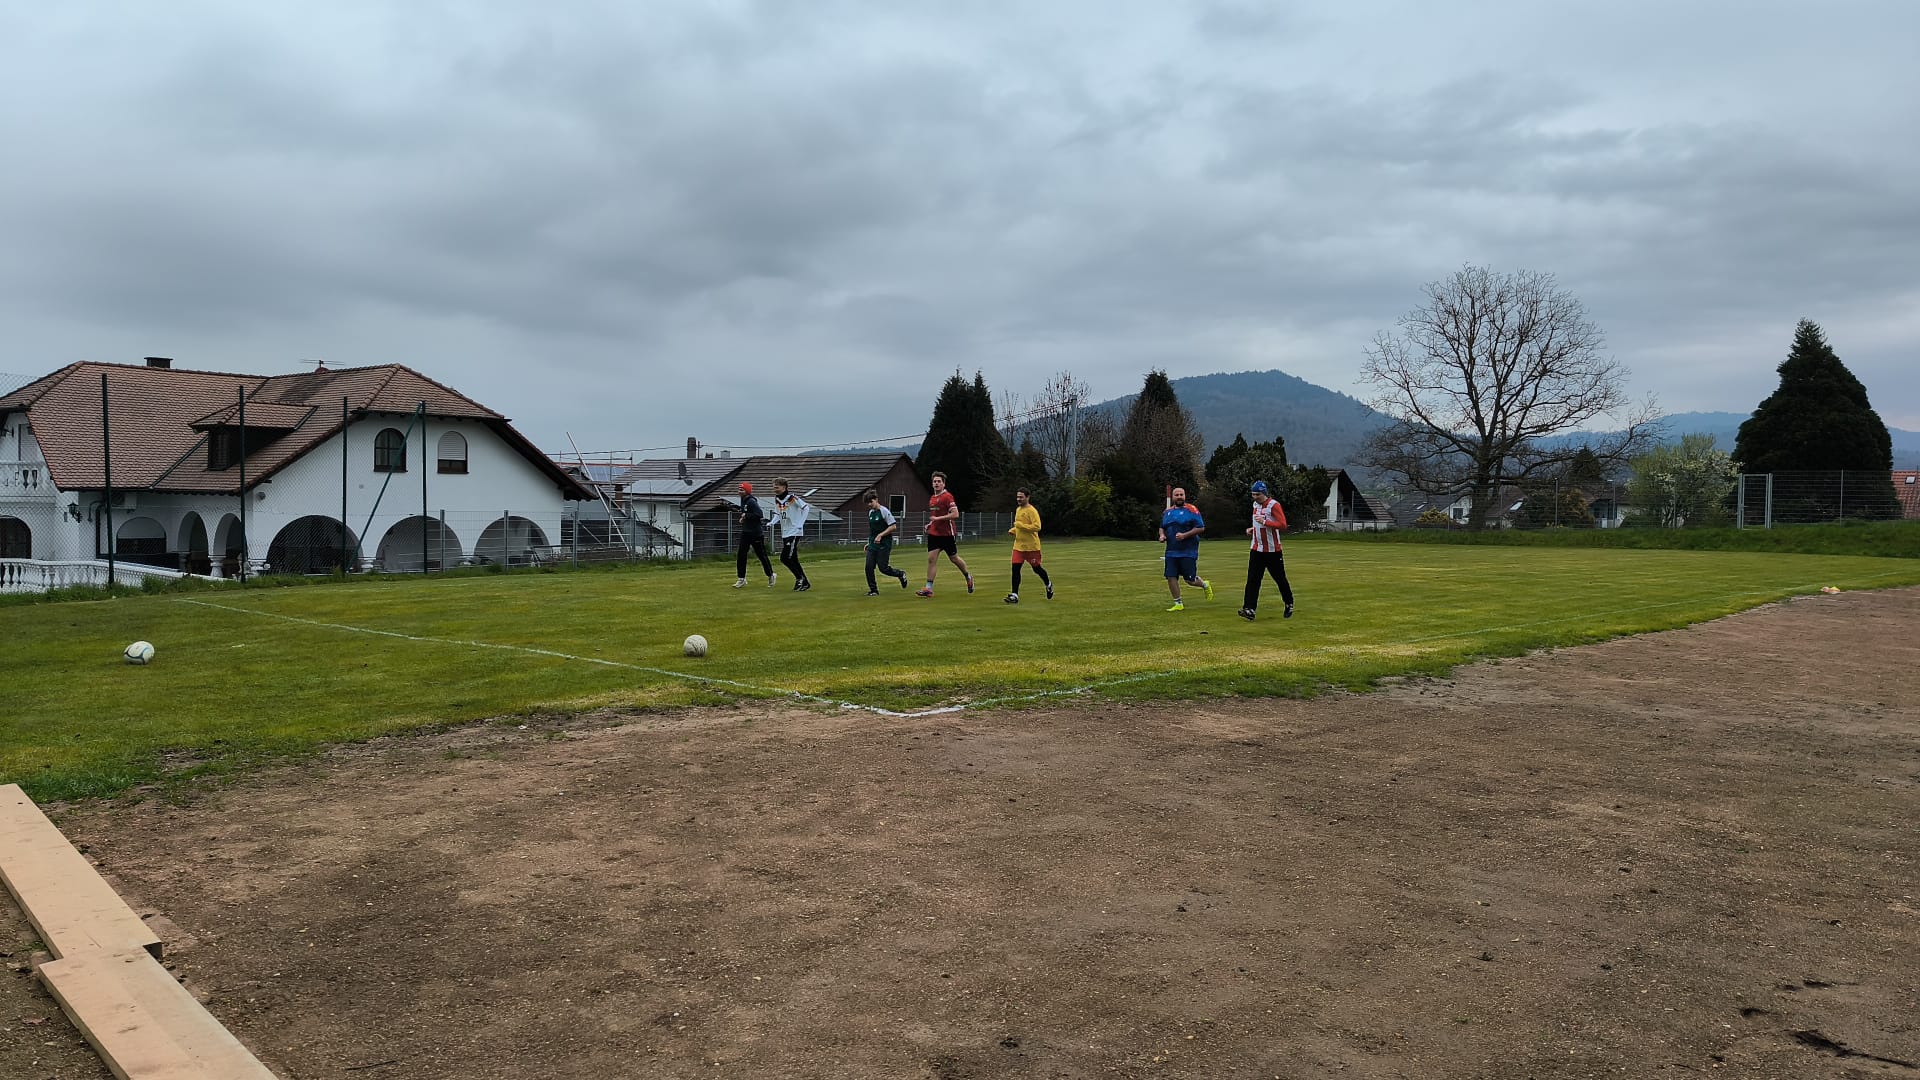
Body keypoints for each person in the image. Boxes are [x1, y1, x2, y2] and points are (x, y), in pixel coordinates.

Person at [1238, 480, 1295, 621]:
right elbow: (1257, 522)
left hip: (1272, 550)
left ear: (1264, 493)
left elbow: (1282, 525)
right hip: (1256, 549)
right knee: (1253, 580)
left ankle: (1289, 603)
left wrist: (1265, 522)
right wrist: (1252, 529)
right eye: (1253, 494)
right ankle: (1249, 609)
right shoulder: (1255, 505)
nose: (1255, 497)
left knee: (1280, 579)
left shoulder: (1273, 505)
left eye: (1257, 494)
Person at [917, 470, 973, 597]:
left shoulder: (947, 497)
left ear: (943, 484)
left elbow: (955, 514)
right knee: (931, 560)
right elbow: (934, 516)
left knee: (954, 558)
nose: (936, 483)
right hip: (934, 534)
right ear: (932, 484)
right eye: (934, 481)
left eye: (939, 481)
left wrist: (938, 519)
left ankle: (968, 576)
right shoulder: (932, 498)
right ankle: (928, 589)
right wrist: (930, 524)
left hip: (947, 534)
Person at [1003, 487, 1053, 604]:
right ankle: (1014, 595)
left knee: (1037, 569)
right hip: (1019, 546)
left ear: (1027, 497)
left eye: (1021, 497)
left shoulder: (1032, 511)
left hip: (1031, 547)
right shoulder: (1018, 510)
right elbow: (1020, 526)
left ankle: (1048, 584)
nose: (1018, 499)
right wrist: (1014, 530)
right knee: (1015, 569)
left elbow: (1037, 527)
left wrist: (1020, 526)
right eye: (1017, 497)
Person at [1159, 498, 1210, 611]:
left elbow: (1201, 528)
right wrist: (1162, 536)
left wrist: (1184, 535)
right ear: (1173, 497)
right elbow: (1162, 527)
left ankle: (1204, 584)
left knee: (1189, 580)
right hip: (1171, 551)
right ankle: (1178, 603)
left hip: (1188, 551)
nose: (1179, 496)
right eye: (1176, 494)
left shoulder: (1192, 510)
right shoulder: (1167, 512)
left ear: (1184, 496)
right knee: (1171, 576)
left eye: (1181, 494)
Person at [863, 489, 911, 595]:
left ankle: (900, 574)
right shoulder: (871, 513)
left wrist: (881, 535)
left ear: (876, 500)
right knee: (868, 567)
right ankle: (873, 590)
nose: (869, 505)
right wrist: (869, 543)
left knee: (883, 568)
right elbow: (873, 531)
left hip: (884, 544)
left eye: (871, 502)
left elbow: (893, 526)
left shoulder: (884, 511)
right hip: (873, 544)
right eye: (868, 503)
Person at [772, 477, 812, 591]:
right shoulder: (777, 499)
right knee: (793, 559)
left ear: (784, 487)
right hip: (785, 532)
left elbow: (806, 508)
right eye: (774, 487)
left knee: (784, 558)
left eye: (777, 487)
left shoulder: (792, 498)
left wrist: (800, 523)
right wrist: (772, 522)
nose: (775, 489)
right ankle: (804, 582)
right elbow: (777, 513)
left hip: (794, 531)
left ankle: (800, 578)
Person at [732, 481, 775, 588]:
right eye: (739, 489)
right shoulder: (743, 500)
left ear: (747, 491)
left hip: (756, 533)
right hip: (746, 532)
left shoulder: (751, 501)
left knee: (761, 556)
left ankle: (771, 575)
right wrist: (743, 517)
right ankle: (741, 578)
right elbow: (746, 514)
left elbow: (759, 514)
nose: (739, 491)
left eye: (741, 490)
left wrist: (746, 515)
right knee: (741, 555)